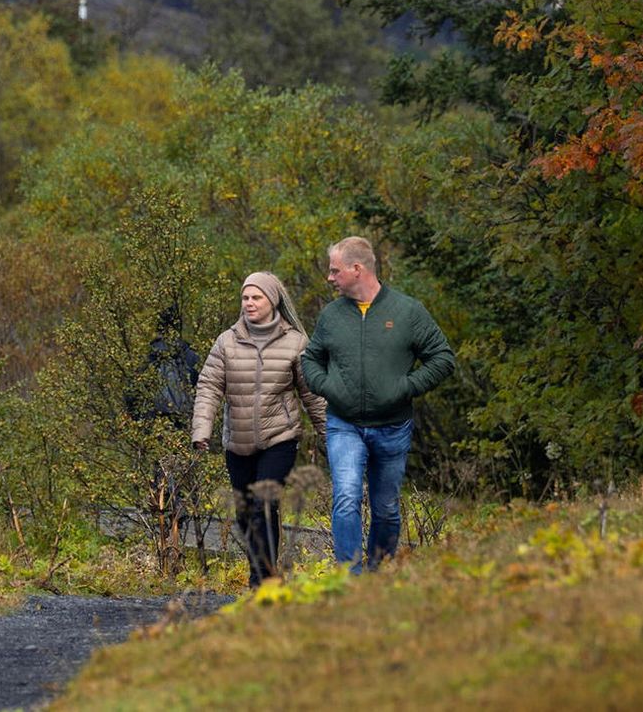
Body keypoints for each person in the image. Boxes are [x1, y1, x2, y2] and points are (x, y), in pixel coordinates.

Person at [301, 236, 455, 572]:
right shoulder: (331, 316)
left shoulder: (407, 311)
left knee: (386, 508)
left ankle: (376, 572)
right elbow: (310, 359)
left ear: (357, 269)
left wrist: (407, 387)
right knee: (345, 498)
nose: (329, 277)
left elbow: (443, 358)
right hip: (344, 424)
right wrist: (327, 386)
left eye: (334, 270)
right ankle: (349, 580)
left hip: (392, 426)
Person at [191, 272, 327, 587]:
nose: (249, 303)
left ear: (273, 301)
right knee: (244, 511)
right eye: (245, 298)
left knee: (265, 505)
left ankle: (262, 579)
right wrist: (202, 430)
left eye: (256, 297)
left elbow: (311, 393)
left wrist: (328, 435)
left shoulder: (295, 341)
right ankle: (260, 568)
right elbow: (209, 386)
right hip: (237, 440)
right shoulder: (227, 340)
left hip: (279, 437)